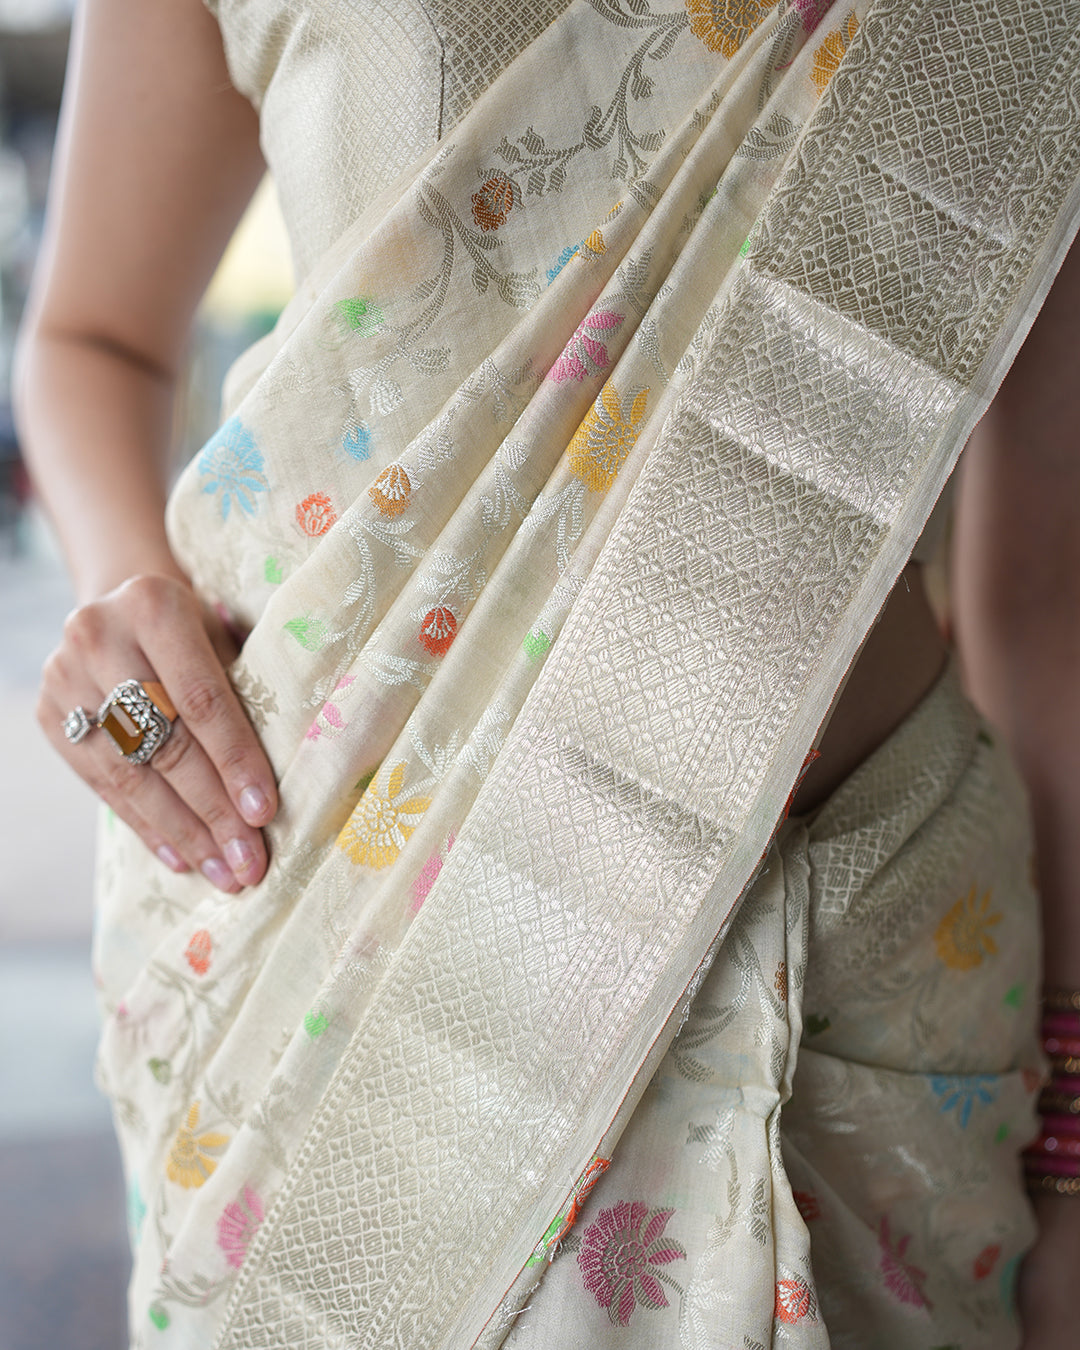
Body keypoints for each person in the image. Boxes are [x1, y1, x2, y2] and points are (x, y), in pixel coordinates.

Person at [13, 0, 1080, 1344]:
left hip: (844, 961)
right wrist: (125, 602)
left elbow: (1049, 595)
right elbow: (90, 340)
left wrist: (1077, 1152)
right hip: (338, 914)